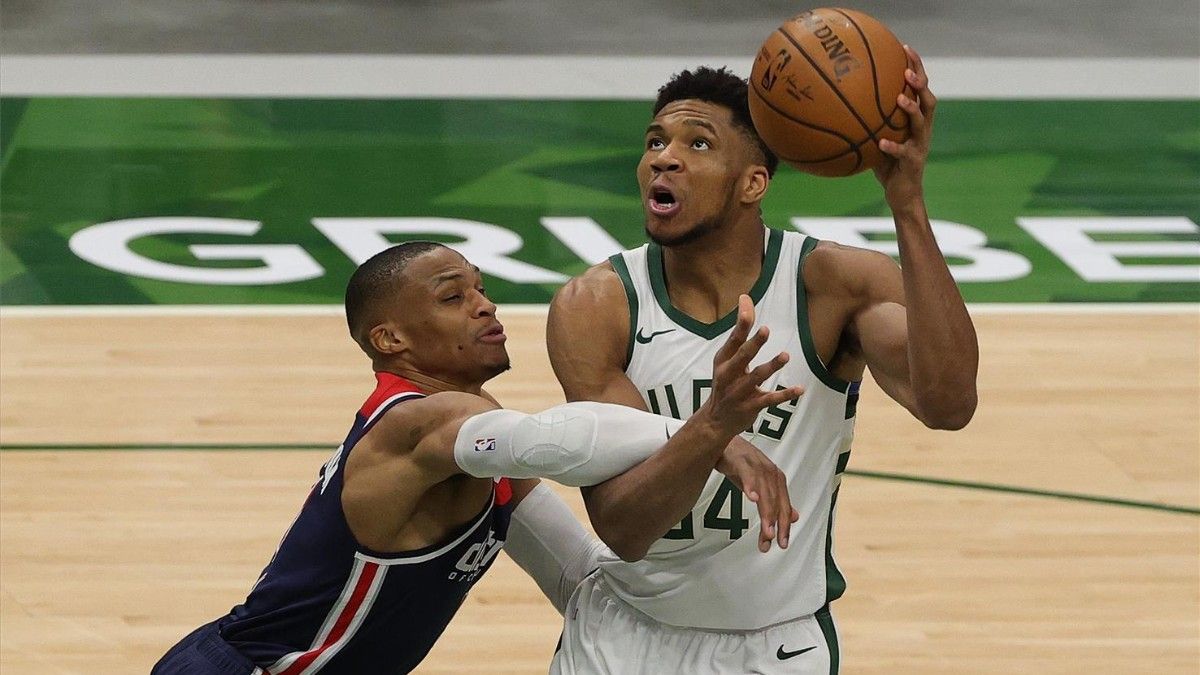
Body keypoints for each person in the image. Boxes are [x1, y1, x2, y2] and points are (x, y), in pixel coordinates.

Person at [152, 241, 801, 674]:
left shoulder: (470, 434)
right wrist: (711, 431)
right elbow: (554, 439)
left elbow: (579, 576)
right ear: (391, 338)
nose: (485, 304)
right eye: (452, 296)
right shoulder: (418, 423)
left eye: (481, 289)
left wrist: (704, 625)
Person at [546, 47, 978, 674]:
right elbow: (625, 525)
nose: (663, 157)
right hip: (624, 638)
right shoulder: (597, 307)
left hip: (775, 647)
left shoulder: (832, 285)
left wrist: (906, 203)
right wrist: (714, 427)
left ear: (753, 182)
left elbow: (950, 405)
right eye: (655, 140)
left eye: (698, 145)